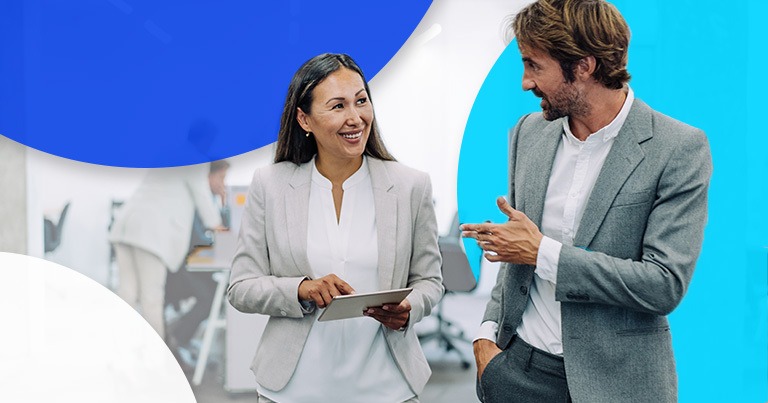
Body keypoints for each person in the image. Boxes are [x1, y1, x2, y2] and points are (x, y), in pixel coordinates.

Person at [460, 1, 713, 402]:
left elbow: (664, 284)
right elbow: (516, 255)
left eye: (534, 65)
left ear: (583, 66)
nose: (525, 82)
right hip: (518, 372)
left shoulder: (678, 148)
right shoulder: (529, 132)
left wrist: (543, 252)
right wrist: (485, 337)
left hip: (620, 382)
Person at [227, 53, 443, 402]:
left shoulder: (410, 186)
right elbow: (241, 287)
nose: (355, 117)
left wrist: (408, 310)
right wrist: (302, 289)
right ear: (304, 119)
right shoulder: (271, 184)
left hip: (386, 387)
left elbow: (429, 282)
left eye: (361, 101)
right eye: (338, 106)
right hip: (293, 388)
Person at [109, 160, 224, 340]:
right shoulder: (195, 158)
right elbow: (202, 195)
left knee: (127, 294)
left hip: (126, 225)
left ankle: (118, 352)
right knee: (151, 300)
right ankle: (158, 363)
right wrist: (219, 227)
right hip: (150, 233)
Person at [165, 159, 231, 361]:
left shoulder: (209, 201)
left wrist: (224, 204)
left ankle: (180, 335)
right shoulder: (194, 201)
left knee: (215, 292)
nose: (223, 183)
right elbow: (197, 239)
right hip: (179, 267)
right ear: (207, 177)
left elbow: (221, 230)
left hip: (190, 265)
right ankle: (177, 337)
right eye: (220, 177)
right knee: (210, 296)